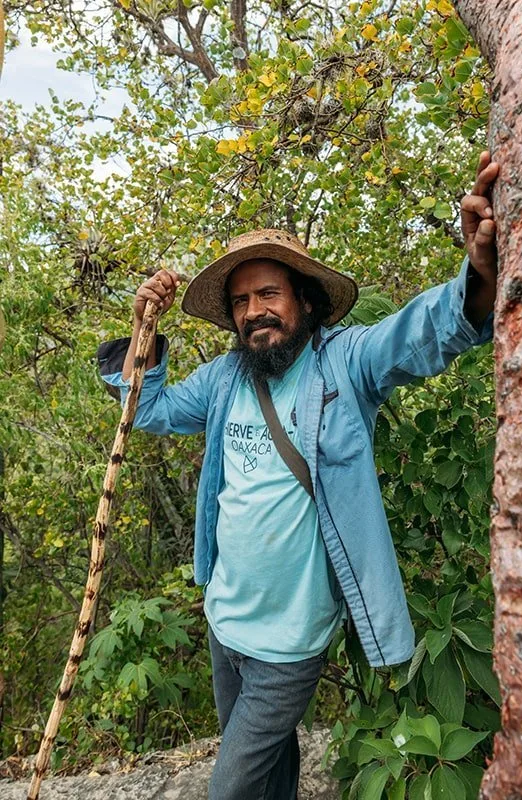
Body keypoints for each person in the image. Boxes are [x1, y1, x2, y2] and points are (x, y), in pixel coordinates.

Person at [98, 152, 499, 800]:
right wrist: (143, 332)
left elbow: (417, 335)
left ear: (305, 301)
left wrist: (478, 277)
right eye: (240, 301)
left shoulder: (344, 365)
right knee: (271, 770)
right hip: (225, 622)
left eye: (268, 294)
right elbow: (148, 410)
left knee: (230, 787)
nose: (253, 311)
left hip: (290, 643)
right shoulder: (225, 379)